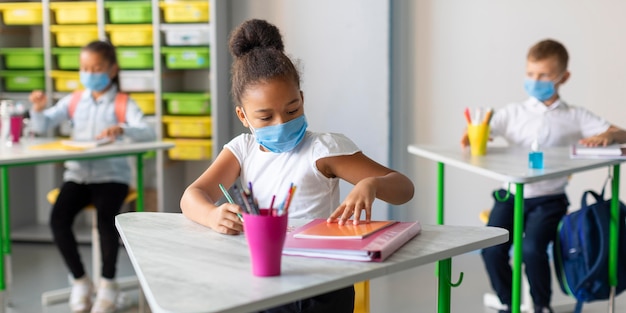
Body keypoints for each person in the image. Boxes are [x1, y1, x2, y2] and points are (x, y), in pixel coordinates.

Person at [180, 19, 414, 313]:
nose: (282, 123)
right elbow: (192, 195)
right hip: (260, 280)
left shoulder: (323, 150)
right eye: (265, 117)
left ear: (302, 99)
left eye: (292, 110)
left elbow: (404, 189)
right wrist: (212, 215)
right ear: (243, 116)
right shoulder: (242, 150)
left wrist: (373, 183)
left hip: (319, 287)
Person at [461, 39, 626, 313]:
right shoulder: (512, 113)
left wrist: (607, 135)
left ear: (564, 77)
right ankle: (508, 302)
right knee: (491, 249)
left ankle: (541, 306)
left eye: (544, 75)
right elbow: (482, 131)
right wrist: (474, 134)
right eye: (530, 74)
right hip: (511, 196)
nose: (535, 81)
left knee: (532, 250)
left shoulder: (574, 116)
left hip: (549, 200)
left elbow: (621, 133)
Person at [29, 40, 155, 313]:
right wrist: (37, 109)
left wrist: (121, 129)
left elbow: (148, 132)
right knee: (58, 219)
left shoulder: (123, 102)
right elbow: (43, 125)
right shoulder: (74, 100)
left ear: (112, 70)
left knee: (106, 224)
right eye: (85, 68)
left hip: (112, 176)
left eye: (96, 68)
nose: (90, 73)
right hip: (78, 175)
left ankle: (108, 284)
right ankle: (80, 281)